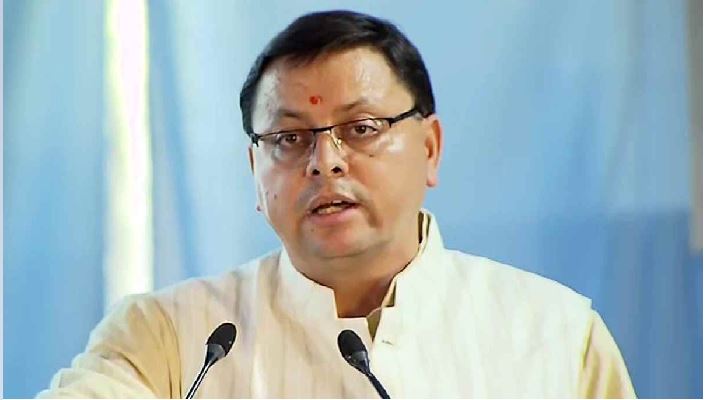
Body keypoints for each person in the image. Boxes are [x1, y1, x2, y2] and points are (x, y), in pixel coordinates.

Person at [39, 10, 635, 398]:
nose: (325, 161)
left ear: (430, 148)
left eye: (362, 128)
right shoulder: (172, 340)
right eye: (289, 138)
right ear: (255, 173)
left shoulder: (556, 335)